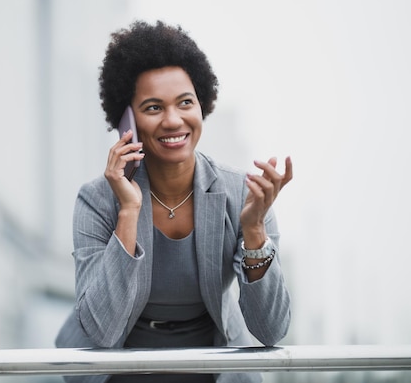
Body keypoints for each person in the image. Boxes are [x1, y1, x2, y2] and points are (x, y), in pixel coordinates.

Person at [55, 20, 293, 383]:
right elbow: (101, 332)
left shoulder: (242, 194)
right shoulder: (97, 200)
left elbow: (271, 329)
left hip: (210, 362)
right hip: (117, 365)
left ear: (202, 105)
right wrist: (129, 212)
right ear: (127, 120)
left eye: (185, 102)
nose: (173, 120)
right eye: (153, 108)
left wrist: (254, 231)